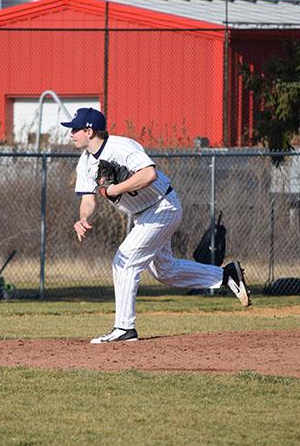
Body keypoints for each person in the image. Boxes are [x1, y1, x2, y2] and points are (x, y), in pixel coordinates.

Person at [61, 107, 251, 344]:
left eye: (75, 130)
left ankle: (124, 328)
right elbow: (88, 200)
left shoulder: (121, 147)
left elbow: (149, 173)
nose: (71, 134)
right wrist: (84, 219)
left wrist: (116, 189)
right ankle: (226, 275)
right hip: (144, 215)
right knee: (165, 271)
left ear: (89, 131)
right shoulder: (85, 162)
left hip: (163, 206)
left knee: (125, 260)